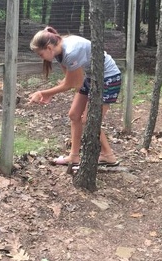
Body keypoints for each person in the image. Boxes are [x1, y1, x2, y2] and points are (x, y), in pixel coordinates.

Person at [28, 26, 122, 166]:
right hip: (92, 77)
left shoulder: (71, 52)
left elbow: (73, 84)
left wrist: (43, 93)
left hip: (108, 77)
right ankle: (74, 156)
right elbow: (69, 79)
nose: (41, 58)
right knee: (74, 115)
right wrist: (53, 92)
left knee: (89, 120)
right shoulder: (59, 51)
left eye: (40, 54)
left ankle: (108, 155)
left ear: (48, 48)